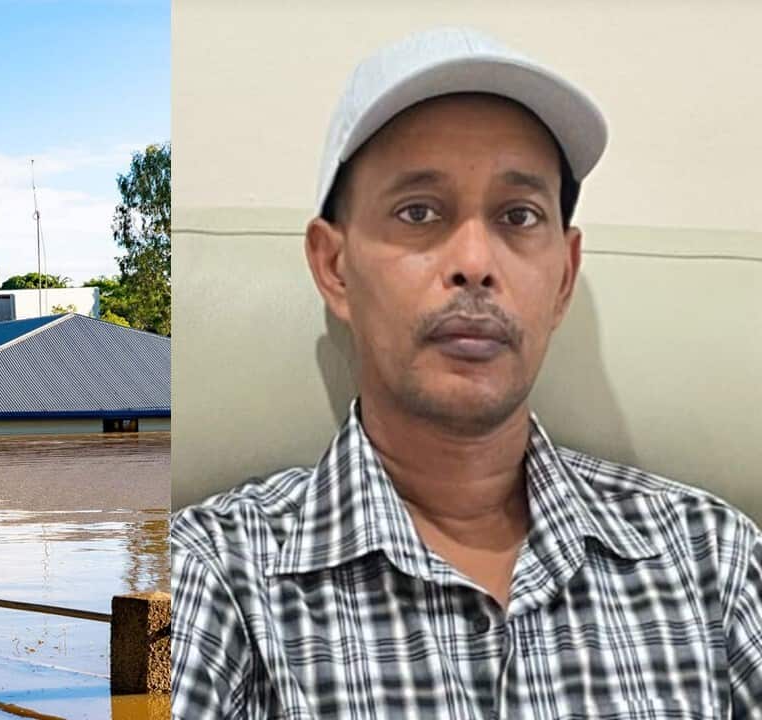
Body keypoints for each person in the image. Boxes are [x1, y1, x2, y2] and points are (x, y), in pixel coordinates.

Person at [170, 27, 762, 718]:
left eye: (519, 215)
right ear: (334, 267)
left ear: (564, 277)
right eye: (419, 212)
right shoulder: (201, 580)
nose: (475, 260)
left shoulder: (716, 559)